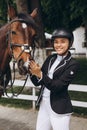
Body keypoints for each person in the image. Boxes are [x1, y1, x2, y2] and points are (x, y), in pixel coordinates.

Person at [29, 28, 79, 130]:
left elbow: (58, 86)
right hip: (44, 105)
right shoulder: (50, 59)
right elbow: (38, 82)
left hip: (59, 107)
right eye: (56, 42)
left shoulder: (73, 64)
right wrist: (31, 71)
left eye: (62, 42)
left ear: (70, 43)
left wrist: (40, 74)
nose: (58, 45)